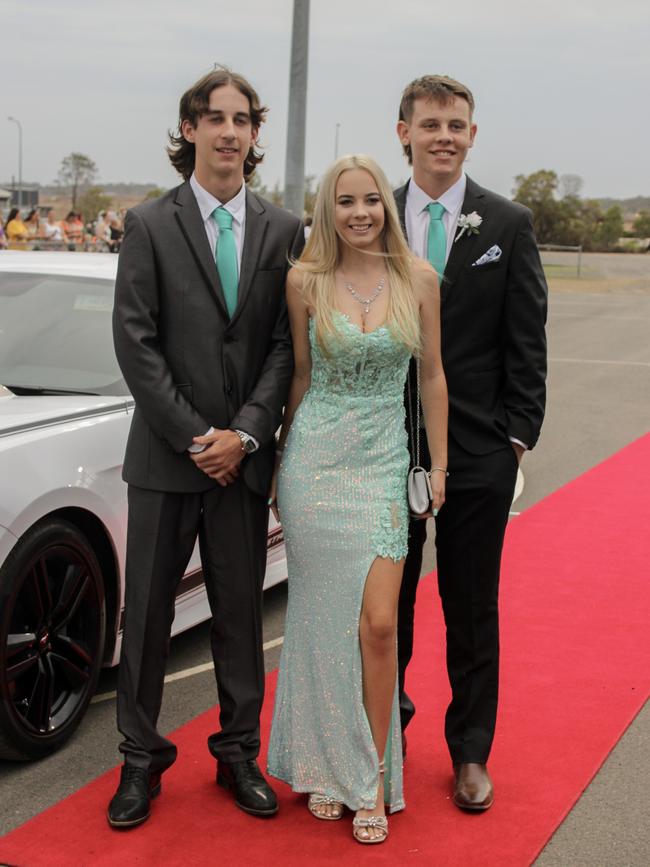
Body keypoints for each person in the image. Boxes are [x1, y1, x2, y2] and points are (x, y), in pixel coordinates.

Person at [108, 66, 303, 829]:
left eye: (242, 119)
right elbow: (136, 343)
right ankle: (140, 761)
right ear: (188, 128)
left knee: (238, 617)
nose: (228, 131)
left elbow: (285, 348)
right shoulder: (148, 224)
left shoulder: (284, 230)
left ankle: (239, 753)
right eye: (213, 117)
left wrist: (246, 434)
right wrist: (199, 437)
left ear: (255, 134)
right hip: (166, 460)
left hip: (243, 462)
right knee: (149, 617)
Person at [267, 154, 448, 844]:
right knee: (317, 620)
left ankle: (371, 772)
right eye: (346, 201)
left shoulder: (419, 278)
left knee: (377, 624)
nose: (361, 212)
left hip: (382, 463)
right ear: (328, 210)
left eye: (371, 199)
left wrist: (440, 464)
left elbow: (432, 375)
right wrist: (281, 463)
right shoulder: (305, 280)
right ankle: (320, 764)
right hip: (315, 461)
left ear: (387, 206)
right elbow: (301, 376)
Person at [394, 75, 547, 811]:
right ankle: (382, 732)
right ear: (404, 132)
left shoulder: (507, 223)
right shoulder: (370, 215)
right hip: (383, 448)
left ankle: (471, 753)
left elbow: (527, 342)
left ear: (472, 135)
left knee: (471, 608)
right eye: (430, 124)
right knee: (382, 608)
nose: (444, 136)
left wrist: (515, 440)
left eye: (457, 124)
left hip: (480, 450)